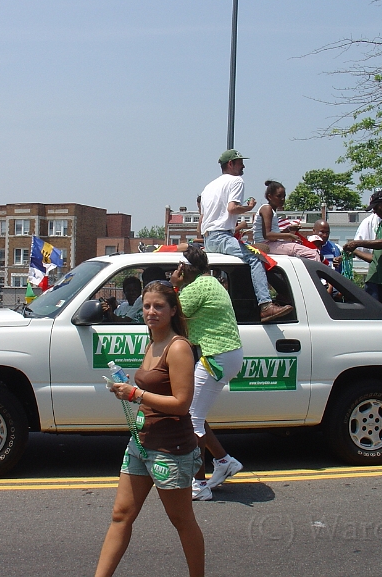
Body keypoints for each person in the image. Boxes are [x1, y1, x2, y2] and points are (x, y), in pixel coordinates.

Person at [95, 281, 204, 577]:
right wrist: (128, 388)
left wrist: (135, 394)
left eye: (158, 306)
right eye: (146, 306)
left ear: (172, 310)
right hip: (141, 443)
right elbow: (152, 387)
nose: (151, 312)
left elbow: (181, 403)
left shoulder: (178, 347)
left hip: (171, 448)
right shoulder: (152, 341)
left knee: (181, 520)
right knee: (121, 515)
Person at [170, 244, 244, 502]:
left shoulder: (197, 287)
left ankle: (199, 485)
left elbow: (173, 315)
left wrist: (174, 285)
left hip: (216, 356)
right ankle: (224, 461)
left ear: (185, 268)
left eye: (177, 267)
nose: (175, 271)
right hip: (223, 354)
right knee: (197, 414)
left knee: (192, 418)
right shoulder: (209, 282)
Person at [199, 150, 291, 322]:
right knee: (255, 258)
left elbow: (204, 219)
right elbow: (232, 208)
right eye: (240, 162)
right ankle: (265, 305)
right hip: (222, 237)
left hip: (209, 238)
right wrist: (249, 207)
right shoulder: (236, 181)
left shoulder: (208, 187)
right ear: (231, 164)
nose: (243, 166)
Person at [252, 180, 318, 260]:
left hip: (271, 243)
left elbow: (274, 235)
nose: (282, 199)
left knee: (310, 251)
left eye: (284, 196)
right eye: (279, 196)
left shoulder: (271, 210)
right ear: (270, 197)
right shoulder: (267, 208)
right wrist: (289, 235)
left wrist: (289, 229)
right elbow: (268, 235)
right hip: (265, 245)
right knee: (312, 254)